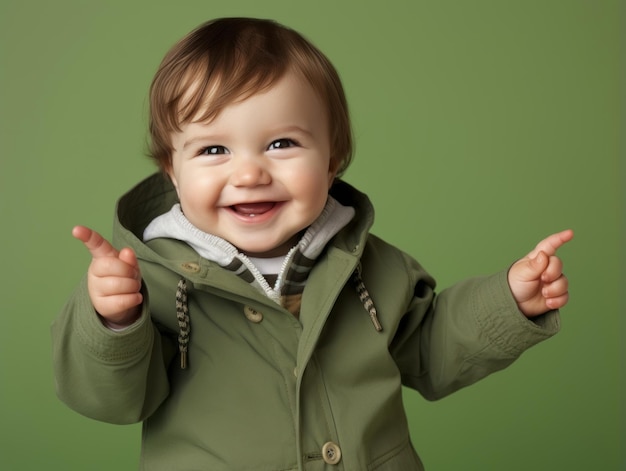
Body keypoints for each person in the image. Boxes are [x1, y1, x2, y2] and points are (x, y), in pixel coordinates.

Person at [52, 17, 573, 470]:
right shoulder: (152, 280)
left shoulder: (367, 263)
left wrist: (507, 302)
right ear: (173, 169)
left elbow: (428, 349)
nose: (250, 172)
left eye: (282, 144)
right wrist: (114, 321)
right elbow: (113, 400)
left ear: (332, 157)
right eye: (213, 148)